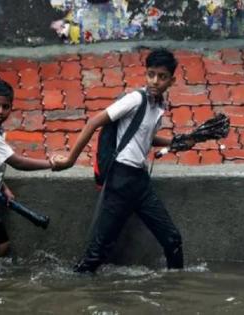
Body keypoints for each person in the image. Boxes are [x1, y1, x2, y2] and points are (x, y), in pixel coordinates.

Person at [53, 48, 193, 273]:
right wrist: (70, 160)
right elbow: (94, 121)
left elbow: (144, 137)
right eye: (151, 74)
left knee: (172, 239)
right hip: (120, 180)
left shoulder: (157, 106)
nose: (155, 81)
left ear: (172, 80)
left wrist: (174, 142)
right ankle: (75, 291)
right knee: (96, 254)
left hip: (140, 182)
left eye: (162, 76)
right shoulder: (135, 99)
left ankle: (174, 290)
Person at [0, 78, 59, 268]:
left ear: (11, 107)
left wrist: (3, 187)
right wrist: (51, 164)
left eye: (5, 107)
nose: (0, 111)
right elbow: (17, 162)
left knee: (2, 245)